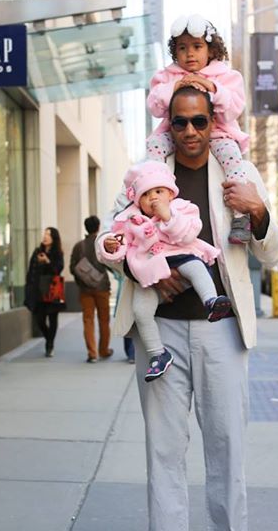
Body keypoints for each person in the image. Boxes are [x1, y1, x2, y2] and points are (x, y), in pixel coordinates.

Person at [97, 86, 278, 531]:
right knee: (163, 448)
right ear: (169, 124)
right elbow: (109, 237)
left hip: (221, 330)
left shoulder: (237, 172)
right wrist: (139, 268)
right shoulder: (147, 173)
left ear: (212, 120)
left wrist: (259, 212)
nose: (190, 131)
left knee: (227, 447)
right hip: (158, 332)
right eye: (180, 122)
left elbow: (271, 251)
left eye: (199, 121)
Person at [97, 160, 232, 381]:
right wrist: (111, 246)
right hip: (149, 270)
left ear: (170, 194)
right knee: (141, 311)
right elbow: (121, 245)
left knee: (196, 267)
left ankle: (211, 301)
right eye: (146, 194)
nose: (153, 198)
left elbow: (188, 234)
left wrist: (167, 215)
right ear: (136, 200)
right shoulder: (131, 219)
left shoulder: (182, 208)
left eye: (159, 191)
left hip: (181, 255)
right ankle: (158, 354)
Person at [146, 13, 251, 245]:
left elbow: (233, 109)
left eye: (197, 46)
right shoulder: (167, 76)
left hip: (220, 134)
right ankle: (155, 199)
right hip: (175, 133)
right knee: (153, 147)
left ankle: (241, 217)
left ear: (211, 50)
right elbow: (154, 106)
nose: (190, 54)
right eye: (182, 48)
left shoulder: (226, 76)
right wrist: (174, 87)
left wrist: (213, 87)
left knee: (234, 161)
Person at [70, 216, 113, 364]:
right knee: (104, 320)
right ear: (98, 227)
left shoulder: (78, 246)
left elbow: (72, 268)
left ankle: (92, 353)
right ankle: (104, 350)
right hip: (102, 287)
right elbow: (110, 264)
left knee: (88, 320)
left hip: (85, 289)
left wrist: (83, 280)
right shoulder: (101, 245)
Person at [25, 227, 65, 357]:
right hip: (38, 291)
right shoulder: (37, 252)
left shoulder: (58, 253)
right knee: (40, 320)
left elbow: (58, 269)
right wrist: (29, 287)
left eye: (48, 234)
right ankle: (49, 338)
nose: (45, 236)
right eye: (45, 234)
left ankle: (50, 345)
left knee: (53, 319)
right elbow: (31, 271)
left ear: (54, 238)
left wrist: (47, 261)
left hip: (52, 290)